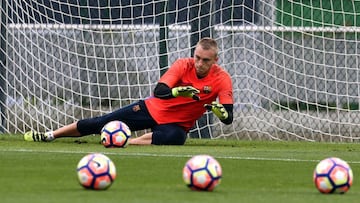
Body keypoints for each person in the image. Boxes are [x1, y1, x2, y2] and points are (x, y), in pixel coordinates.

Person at [24, 37, 234, 145]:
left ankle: (123, 142)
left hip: (177, 124)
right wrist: (179, 92)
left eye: (205, 60)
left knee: (175, 138)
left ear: (216, 60)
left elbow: (228, 117)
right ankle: (49, 135)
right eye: (197, 57)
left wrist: (220, 111)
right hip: (152, 108)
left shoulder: (222, 78)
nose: (199, 63)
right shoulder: (183, 64)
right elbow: (160, 90)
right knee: (99, 123)